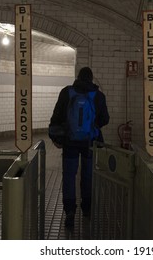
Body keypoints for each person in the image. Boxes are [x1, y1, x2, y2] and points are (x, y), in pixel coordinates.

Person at [49, 66, 110, 228]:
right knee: (88, 174)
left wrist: (55, 137)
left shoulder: (66, 92)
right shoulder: (98, 96)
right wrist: (94, 125)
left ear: (78, 77)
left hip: (70, 142)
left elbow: (57, 116)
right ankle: (87, 208)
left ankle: (70, 211)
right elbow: (105, 119)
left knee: (69, 175)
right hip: (89, 143)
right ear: (91, 78)